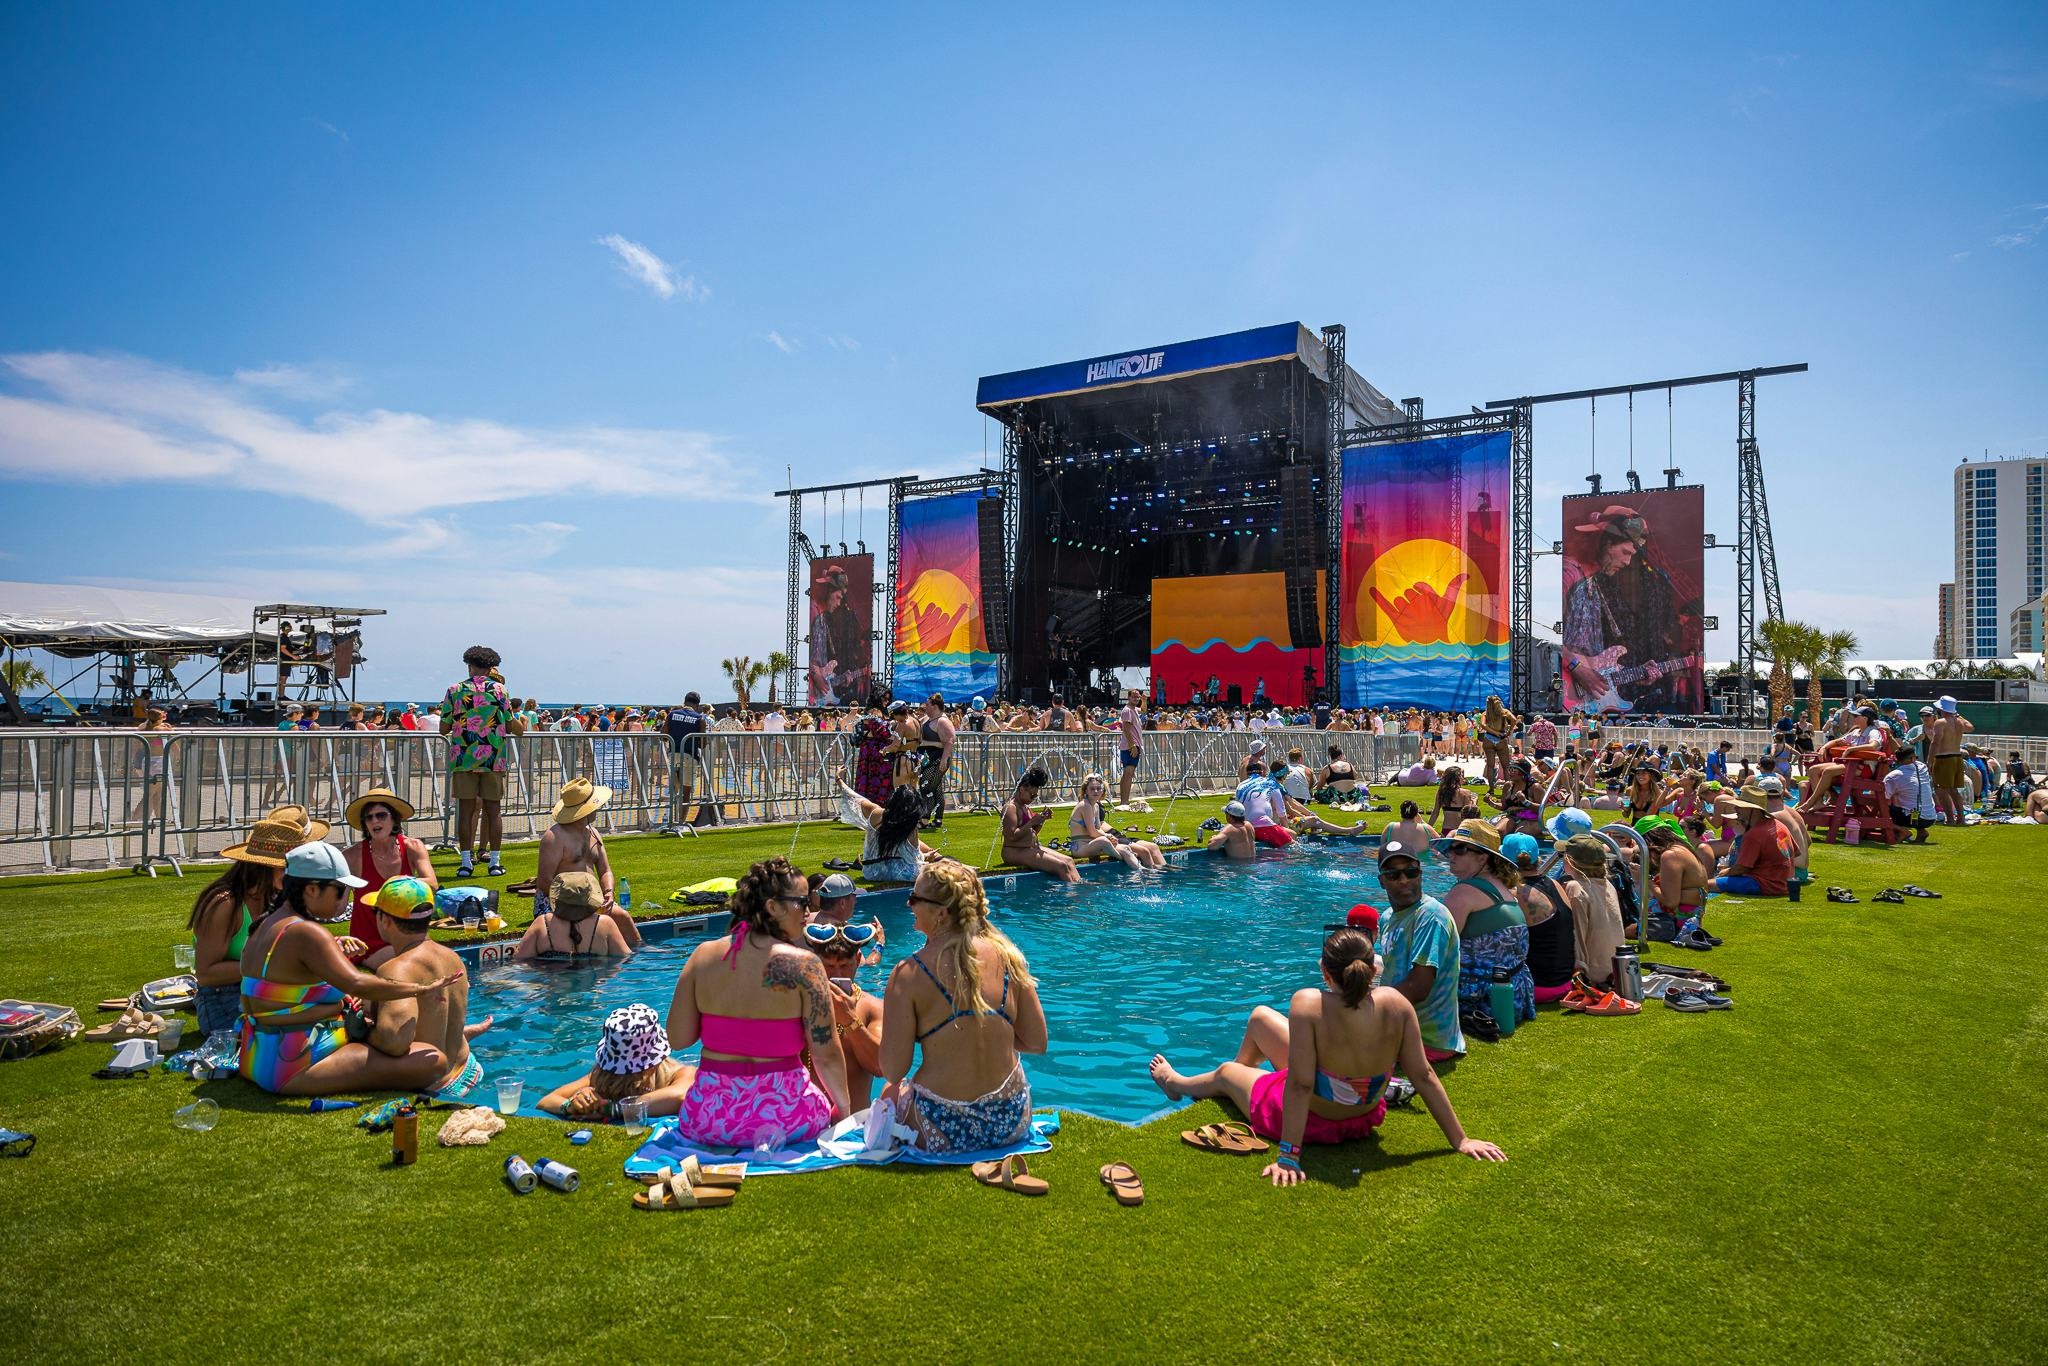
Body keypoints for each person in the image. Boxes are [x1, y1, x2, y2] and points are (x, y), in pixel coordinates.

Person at [1147, 928, 1505, 1183]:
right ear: (1374, 969)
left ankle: (1177, 1084)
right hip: (1362, 1116)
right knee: (1260, 1018)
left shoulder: (1308, 1003)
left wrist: (1288, 1155)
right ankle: (1248, 1081)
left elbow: (1301, 1085)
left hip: (1314, 1121)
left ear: (1324, 971)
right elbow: (1423, 1075)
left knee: (1226, 1071)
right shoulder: (1396, 1003)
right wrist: (1460, 1139)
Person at [236, 842, 456, 1096]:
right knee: (433, 1060)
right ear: (310, 889)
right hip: (292, 1065)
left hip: (256, 1055)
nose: (344, 900)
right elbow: (357, 983)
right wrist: (419, 988)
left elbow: (287, 981)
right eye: (340, 890)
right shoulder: (306, 932)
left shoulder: (267, 923)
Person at [665, 857, 851, 1145]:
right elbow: (825, 1054)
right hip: (787, 1120)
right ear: (772, 906)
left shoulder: (702, 956)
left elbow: (677, 1039)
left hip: (708, 1119)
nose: (808, 910)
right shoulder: (805, 966)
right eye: (801, 902)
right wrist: (843, 1109)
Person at [879, 859, 1047, 1153]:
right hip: (1011, 1122)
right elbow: (1036, 1042)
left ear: (941, 913)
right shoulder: (1009, 957)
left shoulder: (908, 973)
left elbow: (893, 1070)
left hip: (941, 1128)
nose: (909, 904)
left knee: (890, 1090)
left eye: (915, 898)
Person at [192, 807, 320, 1036]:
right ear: (268, 867)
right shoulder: (225, 904)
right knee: (297, 1031)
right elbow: (206, 973)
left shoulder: (280, 895)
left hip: (265, 988)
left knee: (330, 1014)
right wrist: (272, 966)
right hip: (223, 997)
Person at [362, 876, 491, 1100]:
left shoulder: (396, 970)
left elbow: (395, 1040)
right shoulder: (453, 958)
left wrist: (363, 1033)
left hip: (436, 1086)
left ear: (385, 920)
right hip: (468, 1070)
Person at [1369, 839, 1464, 1061]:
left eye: (1410, 872)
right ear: (1382, 881)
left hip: (1426, 1040)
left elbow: (1419, 987)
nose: (1404, 880)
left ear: (1420, 874)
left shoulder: (1431, 915)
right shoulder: (1387, 918)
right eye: (1393, 875)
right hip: (1397, 1027)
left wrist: (1364, 1011)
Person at [1434, 820, 1534, 1029]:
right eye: (1451, 848)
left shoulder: (1463, 893)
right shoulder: (1505, 890)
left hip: (1479, 1000)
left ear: (1483, 856)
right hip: (1515, 995)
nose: (1451, 855)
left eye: (1460, 849)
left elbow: (1439, 949)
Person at [440, 645, 525, 878]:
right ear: (490, 667)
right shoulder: (500, 690)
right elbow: (510, 724)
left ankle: (466, 863)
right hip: (494, 758)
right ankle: (494, 863)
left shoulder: (454, 690)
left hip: (463, 757)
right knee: (493, 811)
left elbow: (443, 728)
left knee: (466, 812)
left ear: (470, 665)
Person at [539, 1003, 696, 1120]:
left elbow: (680, 1096)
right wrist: (573, 1105)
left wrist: (612, 1110)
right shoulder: (602, 1076)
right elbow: (546, 1101)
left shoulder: (678, 1074)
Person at [535, 777, 640, 949]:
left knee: (622, 916)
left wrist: (608, 893)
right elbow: (544, 882)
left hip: (591, 899)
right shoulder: (554, 837)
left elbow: (605, 871)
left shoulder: (594, 834)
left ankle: (639, 953)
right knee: (592, 923)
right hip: (561, 899)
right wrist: (578, 901)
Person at [342, 787, 437, 966]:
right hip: (369, 943)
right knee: (413, 967)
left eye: (381, 815)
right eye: (368, 817)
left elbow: (432, 884)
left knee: (443, 965)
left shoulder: (413, 847)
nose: (374, 821)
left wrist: (391, 887)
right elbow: (338, 907)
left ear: (394, 818)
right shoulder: (352, 856)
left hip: (408, 935)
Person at [808, 922, 886, 1111]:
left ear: (858, 960)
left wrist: (850, 1020)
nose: (836, 974)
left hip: (854, 1125)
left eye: (844, 966)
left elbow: (880, 1067)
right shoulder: (801, 1004)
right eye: (829, 966)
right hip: (806, 1125)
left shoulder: (873, 1007)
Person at [1508, 833, 1579, 1006]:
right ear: (1537, 859)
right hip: (1564, 983)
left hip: (1537, 987)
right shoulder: (1554, 884)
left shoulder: (1515, 893)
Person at [514, 871, 634, 959]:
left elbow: (520, 961)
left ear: (558, 897)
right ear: (590, 897)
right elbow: (625, 958)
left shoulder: (543, 923)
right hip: (595, 989)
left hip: (554, 986)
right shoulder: (604, 923)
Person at [1559, 835, 1627, 985]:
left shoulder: (1575, 887)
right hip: (1615, 970)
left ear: (1570, 860)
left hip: (1591, 974)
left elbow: (1577, 932)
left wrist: (1579, 971)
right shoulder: (1608, 885)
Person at [1068, 773, 1166, 869]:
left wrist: (1110, 837)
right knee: (1104, 841)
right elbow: (1092, 832)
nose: (1096, 791)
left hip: (1093, 843)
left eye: (1098, 789)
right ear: (1086, 791)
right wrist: (1108, 836)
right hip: (1079, 847)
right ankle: (1119, 856)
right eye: (1092, 789)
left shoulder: (1096, 806)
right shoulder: (1085, 805)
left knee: (1125, 848)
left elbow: (1098, 828)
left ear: (1102, 791)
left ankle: (1145, 871)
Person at [1001, 767, 1079, 882]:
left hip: (1029, 848)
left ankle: (1080, 887)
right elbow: (1011, 836)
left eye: (1035, 796)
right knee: (1061, 866)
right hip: (1014, 852)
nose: (1033, 798)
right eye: (1032, 795)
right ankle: (1073, 895)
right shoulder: (1011, 808)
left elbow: (1032, 833)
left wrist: (1041, 820)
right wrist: (1032, 822)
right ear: (1022, 789)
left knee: (1069, 861)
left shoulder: (1024, 806)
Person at [1713, 789, 1791, 897]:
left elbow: (1741, 868)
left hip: (1764, 884)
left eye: (1740, 806)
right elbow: (1795, 852)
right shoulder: (1779, 825)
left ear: (1752, 810)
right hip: (1784, 883)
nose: (1735, 808)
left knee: (1705, 885)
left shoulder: (1754, 834)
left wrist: (1722, 874)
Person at [1923, 696, 1974, 826]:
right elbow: (1970, 727)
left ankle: (1950, 819)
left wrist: (1930, 761)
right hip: (1957, 758)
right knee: (1953, 790)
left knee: (1940, 790)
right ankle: (1961, 818)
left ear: (1941, 708)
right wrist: (1957, 714)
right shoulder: (1959, 722)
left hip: (1943, 758)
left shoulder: (1940, 722)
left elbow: (1935, 742)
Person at [914, 694, 956, 829]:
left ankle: (924, 819)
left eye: (927, 705)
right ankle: (938, 819)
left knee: (927, 788)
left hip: (938, 758)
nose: (925, 707)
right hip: (928, 758)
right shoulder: (928, 719)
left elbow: (949, 741)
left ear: (935, 706)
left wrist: (944, 760)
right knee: (936, 789)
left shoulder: (942, 721)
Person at [1884, 747, 1937, 843]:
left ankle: (1902, 831)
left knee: (1884, 808)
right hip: (1931, 817)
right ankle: (1921, 831)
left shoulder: (1893, 776)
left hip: (1913, 818)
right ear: (1913, 759)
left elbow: (1885, 797)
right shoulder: (1923, 767)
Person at [1428, 765, 1480, 835]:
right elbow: (1469, 815)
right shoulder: (1466, 793)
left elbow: (1435, 813)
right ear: (1457, 778)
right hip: (1461, 831)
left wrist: (1427, 829)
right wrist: (1474, 802)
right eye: (1461, 776)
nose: (1463, 778)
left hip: (1446, 831)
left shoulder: (1441, 792)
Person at [1117, 689, 1144, 807]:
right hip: (1130, 746)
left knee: (1128, 774)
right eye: (1134, 697)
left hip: (1132, 745)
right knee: (1128, 773)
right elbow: (1126, 729)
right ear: (1128, 697)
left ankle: (1124, 800)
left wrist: (1144, 700)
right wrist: (1132, 745)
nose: (1136, 699)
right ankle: (1124, 801)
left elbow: (1143, 710)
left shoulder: (1134, 710)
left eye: (1138, 697)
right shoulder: (1127, 710)